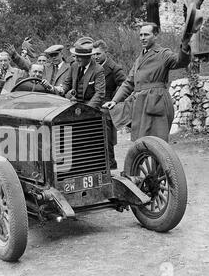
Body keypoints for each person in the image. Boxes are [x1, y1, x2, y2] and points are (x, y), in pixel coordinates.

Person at [103, 22, 192, 142]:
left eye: (146, 35)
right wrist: (114, 101)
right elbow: (129, 83)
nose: (142, 38)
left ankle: (162, 161)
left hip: (157, 101)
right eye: (141, 35)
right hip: (140, 102)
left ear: (155, 36)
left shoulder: (163, 53)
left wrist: (185, 46)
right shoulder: (139, 59)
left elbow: (180, 61)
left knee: (158, 143)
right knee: (141, 141)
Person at [92, 40, 126, 169]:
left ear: (106, 52)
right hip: (92, 104)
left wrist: (115, 101)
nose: (96, 57)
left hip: (105, 107)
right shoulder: (93, 67)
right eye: (93, 54)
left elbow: (125, 85)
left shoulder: (114, 68)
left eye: (98, 54)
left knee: (106, 139)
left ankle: (110, 164)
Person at [57, 37, 105, 110]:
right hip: (74, 105)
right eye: (75, 56)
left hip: (90, 108)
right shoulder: (74, 66)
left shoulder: (98, 70)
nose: (76, 59)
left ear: (88, 57)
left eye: (79, 57)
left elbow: (99, 94)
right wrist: (61, 89)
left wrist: (87, 109)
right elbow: (67, 84)